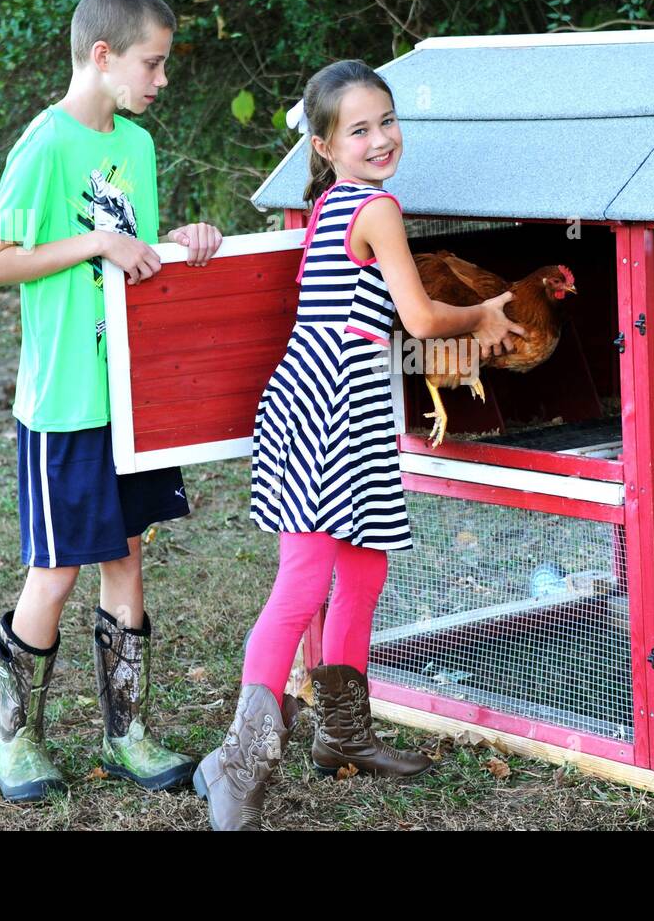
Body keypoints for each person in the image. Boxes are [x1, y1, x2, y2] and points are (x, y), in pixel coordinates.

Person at [193, 59, 525, 830]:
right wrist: (480, 316)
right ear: (324, 146)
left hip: (354, 409)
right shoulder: (376, 208)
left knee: (364, 571)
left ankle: (342, 736)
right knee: (304, 582)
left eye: (388, 121)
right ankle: (240, 765)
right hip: (325, 409)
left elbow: (398, 302)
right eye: (360, 129)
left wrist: (475, 312)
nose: (381, 139)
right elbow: (420, 320)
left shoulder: (339, 209)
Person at [0, 0, 223, 802]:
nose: (160, 80)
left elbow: (134, 254)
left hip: (133, 400)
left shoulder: (140, 148)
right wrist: (93, 245)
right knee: (58, 571)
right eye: (151, 65)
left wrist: (175, 242)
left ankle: (128, 735)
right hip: (65, 404)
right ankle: (16, 743)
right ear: (104, 55)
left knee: (128, 559)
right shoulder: (43, 146)